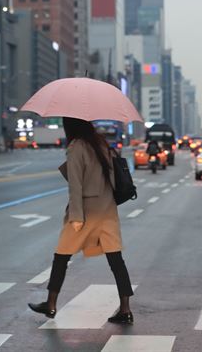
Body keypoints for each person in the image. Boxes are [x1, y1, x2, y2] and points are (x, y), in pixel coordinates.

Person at [28, 117, 134, 324]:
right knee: (116, 261)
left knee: (61, 257)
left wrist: (76, 216)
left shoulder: (76, 147)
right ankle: (125, 308)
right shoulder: (101, 143)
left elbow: (75, 185)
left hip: (85, 211)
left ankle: (50, 304)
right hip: (107, 208)